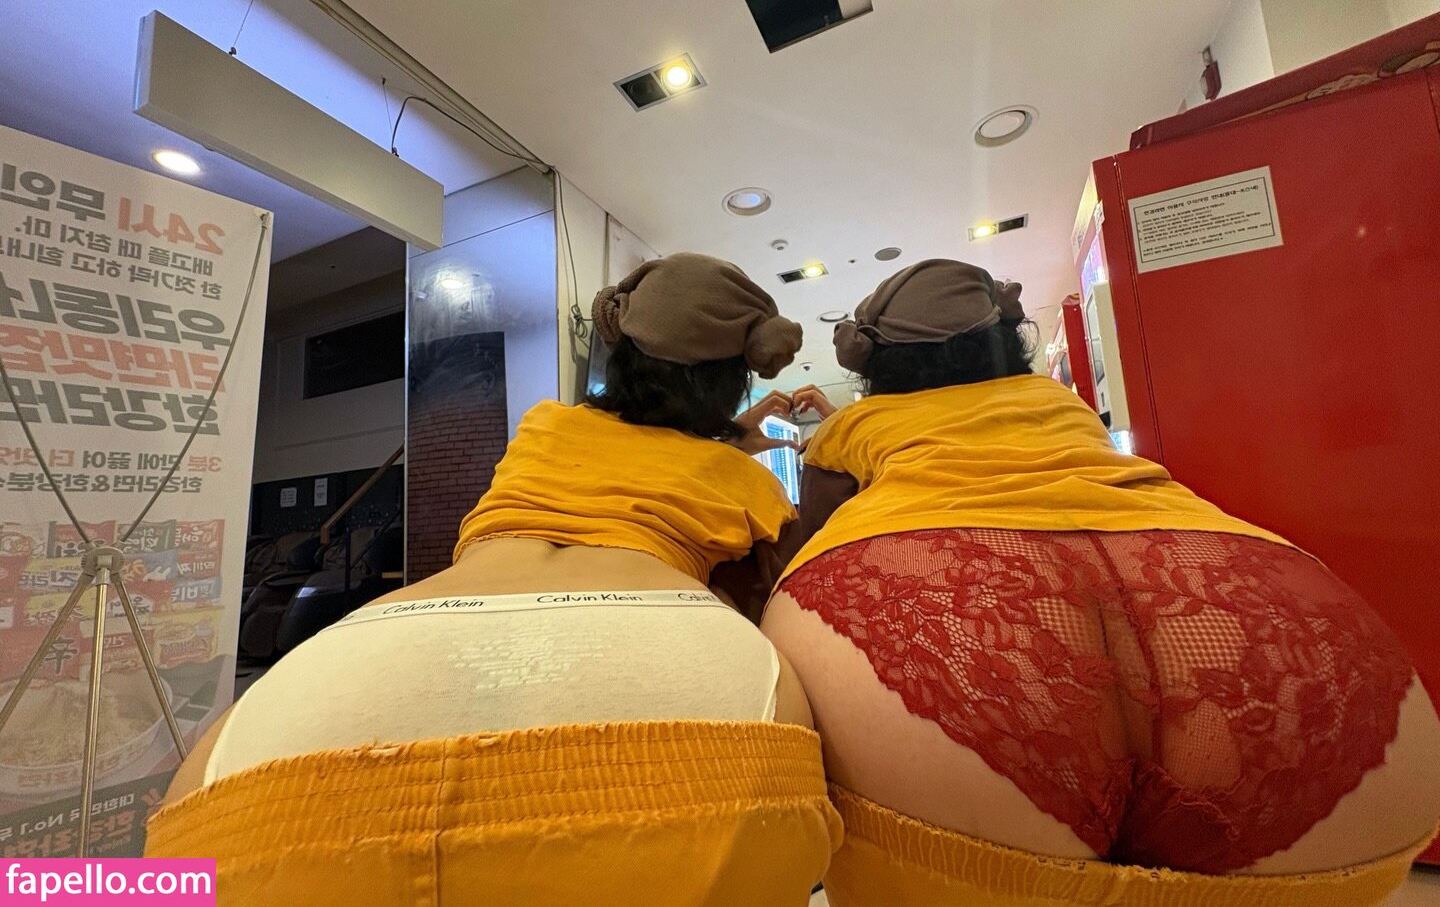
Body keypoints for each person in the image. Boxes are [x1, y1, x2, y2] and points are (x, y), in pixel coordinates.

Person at [148, 253, 842, 906]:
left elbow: (633, 436)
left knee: (180, 866)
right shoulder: (746, 482)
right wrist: (738, 443)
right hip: (660, 652)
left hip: (381, 644)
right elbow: (771, 587)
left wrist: (724, 432)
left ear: (622, 345)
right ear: (733, 378)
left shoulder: (546, 426)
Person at [763, 259, 1440, 906]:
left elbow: (815, 534)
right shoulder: (1061, 402)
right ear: (1008, 344)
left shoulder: (851, 426)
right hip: (1220, 568)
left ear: (875, 369)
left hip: (940, 598)